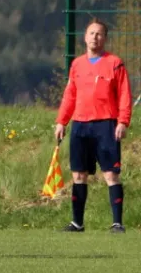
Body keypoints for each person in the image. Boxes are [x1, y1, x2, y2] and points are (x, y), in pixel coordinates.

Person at [55, 17, 132, 233]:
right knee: (79, 174)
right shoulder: (77, 64)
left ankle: (117, 223)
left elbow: (125, 94)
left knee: (111, 174)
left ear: (105, 38)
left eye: (99, 34)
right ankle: (77, 223)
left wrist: (123, 121)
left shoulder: (115, 63)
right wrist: (62, 121)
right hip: (80, 125)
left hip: (106, 125)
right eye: (91, 33)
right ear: (85, 37)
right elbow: (70, 95)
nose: (95, 37)